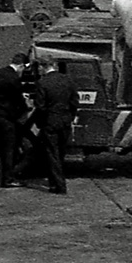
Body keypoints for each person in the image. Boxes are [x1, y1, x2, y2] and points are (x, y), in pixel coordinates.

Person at [0, 52, 34, 188]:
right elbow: (18, 100)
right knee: (9, 149)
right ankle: (8, 179)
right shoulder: (14, 79)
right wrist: (26, 106)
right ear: (21, 66)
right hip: (6, 119)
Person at [31, 57, 79, 194]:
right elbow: (75, 101)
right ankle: (54, 182)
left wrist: (40, 122)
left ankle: (59, 185)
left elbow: (40, 106)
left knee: (52, 154)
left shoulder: (42, 83)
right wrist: (70, 116)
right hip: (65, 121)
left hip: (50, 122)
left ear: (42, 67)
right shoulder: (68, 80)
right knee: (61, 152)